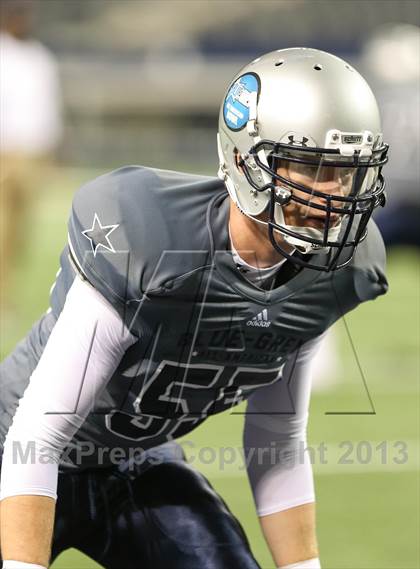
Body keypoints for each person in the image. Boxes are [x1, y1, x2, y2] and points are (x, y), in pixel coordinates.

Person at [0, 48, 388, 569]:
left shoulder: (333, 273)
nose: (331, 194)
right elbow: (40, 434)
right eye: (310, 166)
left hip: (132, 459)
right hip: (15, 450)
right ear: (246, 159)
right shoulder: (150, 241)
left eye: (343, 172)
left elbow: (277, 439)